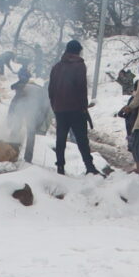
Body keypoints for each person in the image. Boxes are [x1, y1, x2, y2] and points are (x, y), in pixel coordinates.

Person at [47, 39, 98, 175]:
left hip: (60, 109)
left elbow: (51, 90)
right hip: (76, 108)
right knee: (82, 139)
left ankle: (60, 167)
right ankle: (89, 167)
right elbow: (81, 88)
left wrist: (55, 106)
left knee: (61, 138)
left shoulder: (56, 67)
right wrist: (83, 107)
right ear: (77, 51)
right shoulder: (79, 66)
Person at [5, 73, 51, 162]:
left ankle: (9, 153)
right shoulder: (42, 91)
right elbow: (44, 109)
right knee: (31, 133)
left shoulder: (23, 88)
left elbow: (13, 103)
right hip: (33, 111)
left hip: (22, 108)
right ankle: (28, 158)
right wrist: (39, 124)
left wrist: (10, 117)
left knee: (16, 129)